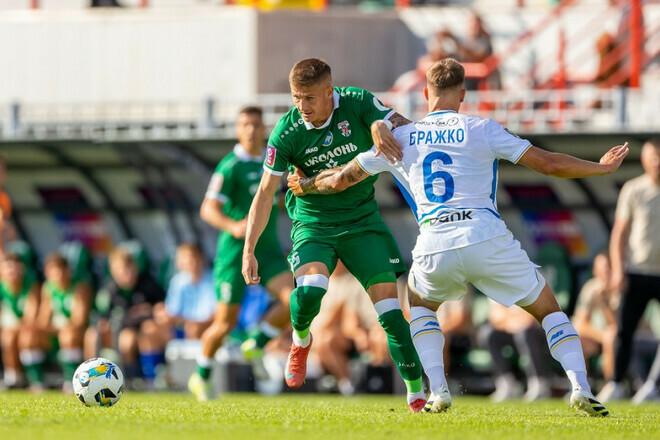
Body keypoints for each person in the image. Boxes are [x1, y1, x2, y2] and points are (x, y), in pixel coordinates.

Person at [287, 58, 629, 416]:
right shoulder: (482, 128)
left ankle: (439, 390)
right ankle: (580, 387)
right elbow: (550, 164)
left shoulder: (400, 137)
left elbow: (340, 179)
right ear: (463, 94)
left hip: (435, 242)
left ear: (425, 94)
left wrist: (305, 184)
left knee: (421, 308)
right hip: (485, 236)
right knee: (549, 311)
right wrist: (601, 167)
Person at [241, 58, 427, 412]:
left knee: (390, 314)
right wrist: (248, 249)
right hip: (314, 223)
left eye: (310, 98)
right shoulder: (287, 131)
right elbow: (265, 193)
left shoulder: (357, 101)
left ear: (330, 92)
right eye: (296, 98)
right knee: (310, 290)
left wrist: (382, 124)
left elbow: (400, 125)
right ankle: (300, 340)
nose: (302, 106)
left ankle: (417, 393)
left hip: (362, 222)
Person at [188, 106, 295, 402]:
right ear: (237, 129)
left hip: (267, 250)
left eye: (256, 124)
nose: (251, 130)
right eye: (245, 124)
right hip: (234, 255)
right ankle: (201, 376)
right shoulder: (230, 166)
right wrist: (233, 226)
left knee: (294, 300)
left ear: (264, 129)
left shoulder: (273, 162)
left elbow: (275, 199)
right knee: (224, 323)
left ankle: (256, 343)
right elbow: (208, 209)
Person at [598, 138, 660, 403]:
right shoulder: (634, 190)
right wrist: (618, 270)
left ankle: (653, 386)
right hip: (636, 271)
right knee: (624, 331)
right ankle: (615, 383)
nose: (657, 162)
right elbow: (619, 234)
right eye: (653, 157)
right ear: (644, 160)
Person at [91, 247, 166, 388]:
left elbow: (160, 308)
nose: (126, 274)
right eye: (120, 270)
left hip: (142, 331)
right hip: (117, 330)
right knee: (92, 335)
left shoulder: (148, 285)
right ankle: (92, 377)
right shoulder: (108, 291)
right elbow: (102, 318)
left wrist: (148, 311)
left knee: (130, 338)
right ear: (113, 272)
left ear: (135, 268)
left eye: (128, 269)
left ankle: (139, 379)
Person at [35, 253, 93, 390]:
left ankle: (71, 380)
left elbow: (79, 321)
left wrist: (59, 329)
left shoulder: (79, 287)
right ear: (47, 273)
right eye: (54, 272)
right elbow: (43, 320)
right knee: (29, 336)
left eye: (61, 271)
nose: (58, 275)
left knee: (68, 336)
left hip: (79, 334)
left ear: (67, 270)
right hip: (56, 331)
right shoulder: (48, 288)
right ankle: (35, 382)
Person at [479, 301, 553, 402]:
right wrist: (513, 323)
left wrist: (514, 321)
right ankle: (507, 384)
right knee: (488, 333)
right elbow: (496, 315)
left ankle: (539, 384)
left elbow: (532, 316)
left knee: (525, 333)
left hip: (536, 330)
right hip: (511, 327)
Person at [572, 251, 618, 384]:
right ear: (595, 271)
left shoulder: (620, 287)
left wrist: (604, 301)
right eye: (602, 269)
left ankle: (612, 384)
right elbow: (580, 323)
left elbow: (616, 325)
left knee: (611, 336)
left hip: (617, 337)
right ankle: (580, 385)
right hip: (599, 336)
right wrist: (601, 336)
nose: (605, 272)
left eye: (608, 267)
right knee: (575, 337)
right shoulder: (590, 288)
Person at [0, 253, 40, 389]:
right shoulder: (2, 288)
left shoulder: (31, 285)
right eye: (9, 268)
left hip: (32, 330)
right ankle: (13, 377)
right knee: (8, 338)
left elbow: (31, 318)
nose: (13, 272)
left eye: (15, 268)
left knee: (26, 337)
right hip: (11, 329)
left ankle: (36, 380)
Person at [164, 243, 217, 340]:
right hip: (182, 328)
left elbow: (216, 314)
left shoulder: (215, 279)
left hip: (209, 326)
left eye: (193, 257)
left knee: (194, 329)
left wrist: (195, 324)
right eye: (185, 258)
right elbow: (172, 313)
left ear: (201, 259)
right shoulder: (177, 282)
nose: (191, 262)